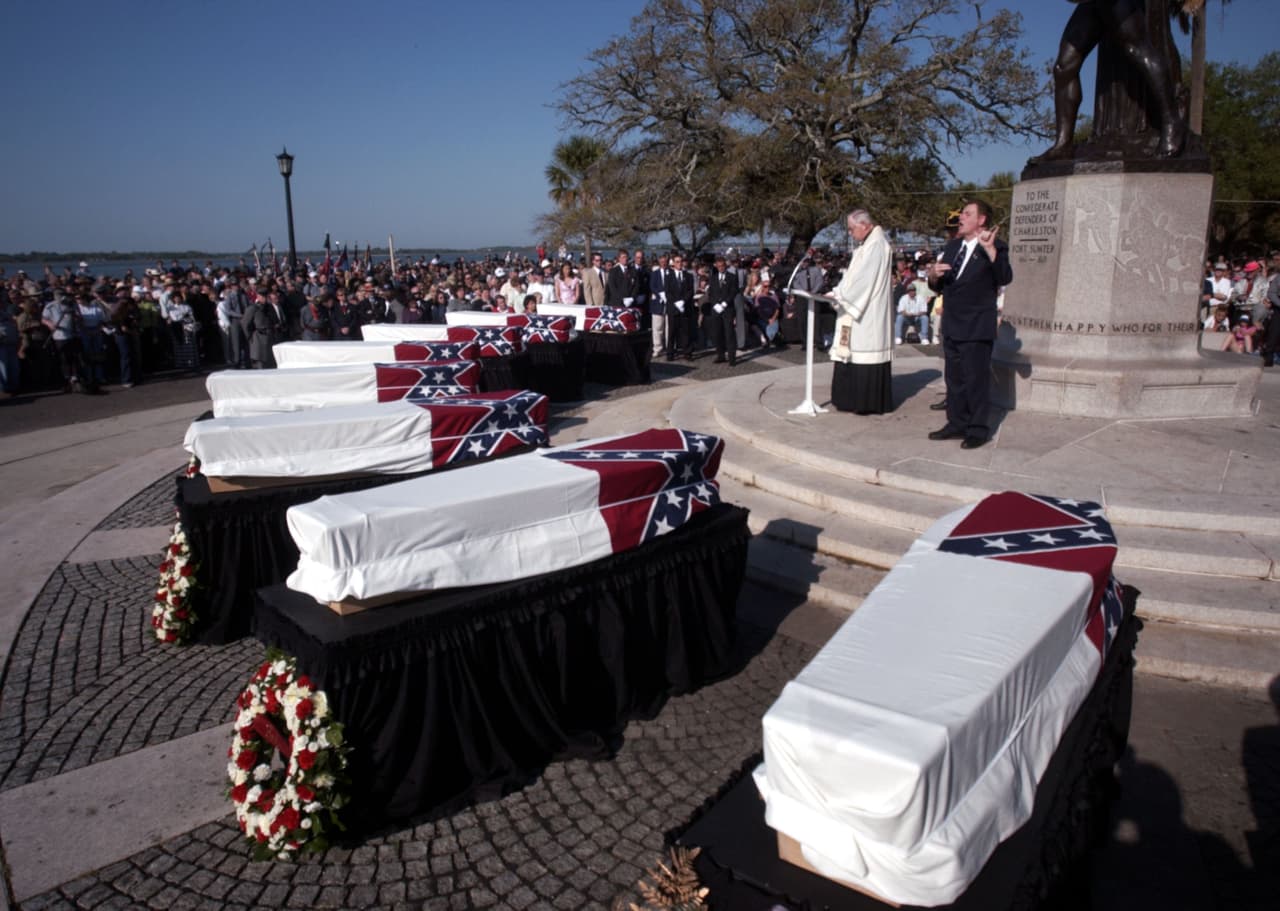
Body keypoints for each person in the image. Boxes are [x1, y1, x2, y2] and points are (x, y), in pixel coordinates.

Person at [926, 199, 1012, 448]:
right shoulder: (953, 247)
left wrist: (991, 251)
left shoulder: (995, 246)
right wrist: (933, 276)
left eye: (966, 214)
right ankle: (956, 423)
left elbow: (1005, 276)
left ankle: (977, 429)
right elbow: (939, 285)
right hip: (952, 324)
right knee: (954, 379)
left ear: (981, 220)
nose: (960, 218)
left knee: (975, 380)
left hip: (976, 326)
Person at [828, 209, 894, 415]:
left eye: (851, 228)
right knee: (852, 354)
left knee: (864, 354)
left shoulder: (876, 246)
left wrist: (842, 296)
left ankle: (865, 402)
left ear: (865, 225)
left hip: (868, 314)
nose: (850, 233)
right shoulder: (867, 245)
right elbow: (853, 278)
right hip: (860, 310)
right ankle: (848, 399)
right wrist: (838, 291)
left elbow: (863, 281)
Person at [703, 254, 738, 366]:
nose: (721, 268)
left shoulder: (732, 277)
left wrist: (724, 303)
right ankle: (720, 355)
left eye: (722, 266)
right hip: (716, 309)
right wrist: (715, 304)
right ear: (716, 266)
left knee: (729, 334)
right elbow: (711, 293)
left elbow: (734, 291)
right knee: (717, 333)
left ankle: (732, 357)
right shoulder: (713, 278)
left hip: (727, 309)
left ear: (725, 266)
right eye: (719, 266)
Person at [664, 253, 696, 360]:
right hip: (673, 308)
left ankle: (687, 352)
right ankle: (670, 353)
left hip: (685, 307)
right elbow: (667, 292)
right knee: (672, 331)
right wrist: (676, 302)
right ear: (673, 263)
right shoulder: (668, 276)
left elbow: (690, 291)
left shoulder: (688, 276)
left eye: (681, 261)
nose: (680, 264)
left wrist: (683, 301)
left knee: (685, 331)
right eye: (677, 261)